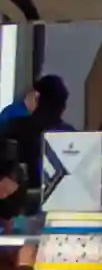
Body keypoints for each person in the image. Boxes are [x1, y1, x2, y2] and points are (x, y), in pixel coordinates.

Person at [0, 73, 68, 230]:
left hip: (16, 214)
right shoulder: (71, 135)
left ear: (35, 97)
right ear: (63, 107)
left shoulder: (12, 127)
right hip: (60, 216)